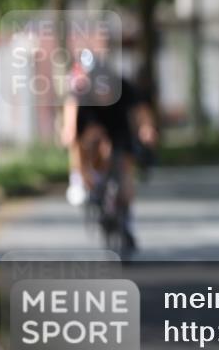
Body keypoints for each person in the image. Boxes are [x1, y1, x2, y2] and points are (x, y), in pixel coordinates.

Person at [62, 49, 157, 252]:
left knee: (125, 171)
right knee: (82, 141)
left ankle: (127, 221)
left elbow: (141, 110)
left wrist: (146, 129)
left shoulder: (123, 85)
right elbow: (71, 113)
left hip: (119, 129)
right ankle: (81, 179)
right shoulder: (81, 90)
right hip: (93, 127)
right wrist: (68, 131)